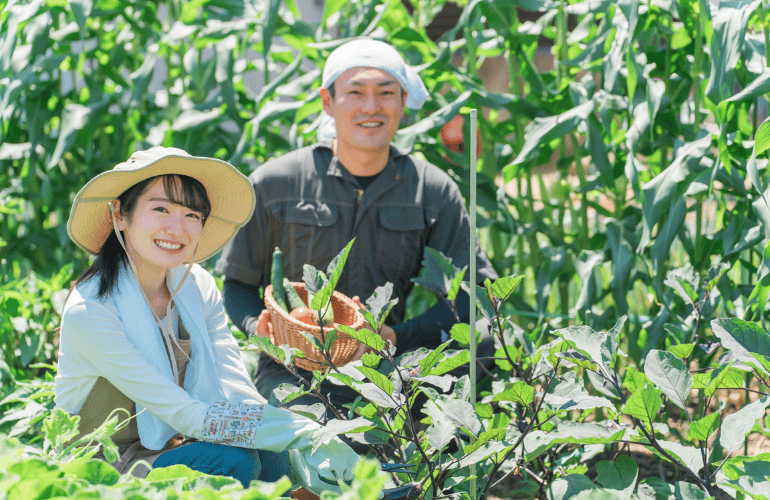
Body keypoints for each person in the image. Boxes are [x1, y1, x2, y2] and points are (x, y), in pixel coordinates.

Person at [216, 39, 498, 417]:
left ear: (402, 104)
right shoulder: (276, 183)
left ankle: (431, 441)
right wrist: (261, 328)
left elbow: (474, 292)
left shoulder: (430, 188)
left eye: (386, 93)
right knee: (318, 453)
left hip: (388, 362)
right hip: (297, 368)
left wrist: (397, 336)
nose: (371, 107)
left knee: (484, 339)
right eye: (356, 92)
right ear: (328, 102)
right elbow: (237, 283)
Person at [54, 147, 359, 491]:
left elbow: (233, 386)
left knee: (272, 455)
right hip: (102, 464)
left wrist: (296, 438)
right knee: (233, 462)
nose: (176, 228)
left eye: (192, 215)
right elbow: (186, 414)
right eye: (161, 209)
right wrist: (300, 432)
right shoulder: (92, 310)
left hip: (169, 445)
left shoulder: (197, 287)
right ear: (120, 215)